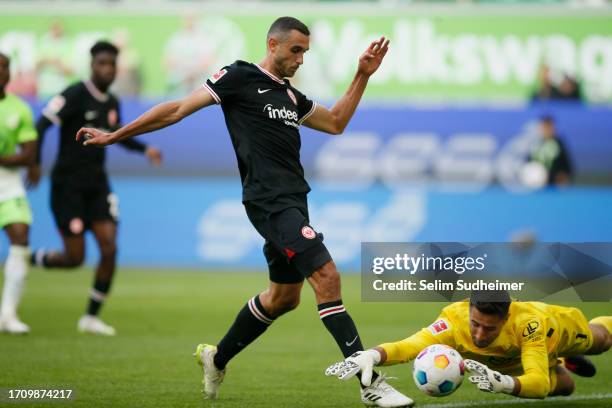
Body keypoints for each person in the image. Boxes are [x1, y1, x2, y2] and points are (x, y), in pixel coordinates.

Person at [75, 16, 413, 408]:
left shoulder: (291, 97)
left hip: (293, 203)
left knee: (284, 298)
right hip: (268, 202)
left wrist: (362, 75)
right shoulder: (237, 76)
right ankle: (369, 382)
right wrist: (116, 135)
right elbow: (178, 109)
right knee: (327, 275)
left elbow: (336, 122)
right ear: (273, 44)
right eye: (295, 50)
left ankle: (216, 358)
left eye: (305, 51)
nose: (301, 59)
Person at [29, 41, 162, 336]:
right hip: (68, 186)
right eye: (102, 63)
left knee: (109, 248)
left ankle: (90, 317)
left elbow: (117, 136)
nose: (107, 69)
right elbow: (41, 125)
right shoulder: (75, 94)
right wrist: (35, 162)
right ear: (92, 65)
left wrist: (145, 149)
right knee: (74, 258)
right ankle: (30, 258)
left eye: (112, 64)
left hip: (97, 185)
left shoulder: (112, 102)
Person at [326, 290, 611, 400]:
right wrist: (373, 356)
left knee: (600, 341)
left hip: (552, 334)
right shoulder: (454, 318)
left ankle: (562, 355)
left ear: (506, 318)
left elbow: (538, 385)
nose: (479, 333)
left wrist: (504, 384)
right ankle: (560, 365)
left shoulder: (530, 324)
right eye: (476, 323)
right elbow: (410, 346)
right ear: (469, 310)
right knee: (566, 388)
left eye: (489, 328)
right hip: (508, 360)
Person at [0, 52, 38, 334]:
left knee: (20, 235)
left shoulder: (19, 109)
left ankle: (8, 314)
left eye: (4, 68)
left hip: (7, 182)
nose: (1, 72)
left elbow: (28, 153)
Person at [530, 115, 573, 186]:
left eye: (549, 127)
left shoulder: (558, 144)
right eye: (544, 127)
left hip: (554, 184)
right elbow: (529, 163)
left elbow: (566, 166)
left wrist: (563, 176)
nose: (546, 130)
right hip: (536, 184)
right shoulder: (536, 144)